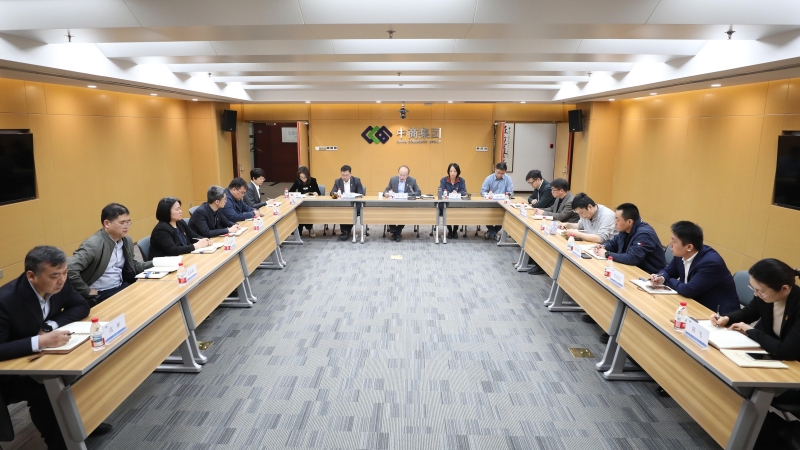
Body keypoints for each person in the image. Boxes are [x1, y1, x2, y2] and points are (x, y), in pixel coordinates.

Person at [0, 246, 112, 449]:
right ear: (31, 276)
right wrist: (39, 341)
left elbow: (81, 305)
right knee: (46, 388)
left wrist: (49, 326)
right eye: (54, 275)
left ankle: (83, 422)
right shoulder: (5, 300)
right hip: (10, 369)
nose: (62, 280)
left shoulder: (60, 283)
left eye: (65, 273)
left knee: (82, 367)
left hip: (42, 357)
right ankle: (60, 444)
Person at [711, 259, 800, 361]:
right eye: (753, 288)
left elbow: (787, 351)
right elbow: (748, 313)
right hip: (768, 351)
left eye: (760, 291)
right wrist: (727, 318)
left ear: (784, 288)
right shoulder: (765, 295)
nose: (756, 294)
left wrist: (750, 330)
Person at [68, 203, 153, 306]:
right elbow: (69, 268)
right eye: (122, 223)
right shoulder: (93, 245)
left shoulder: (126, 240)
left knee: (150, 295)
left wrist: (156, 263)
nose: (126, 226)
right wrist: (87, 291)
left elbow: (133, 266)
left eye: (128, 222)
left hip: (122, 285)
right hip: (103, 292)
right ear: (107, 223)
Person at [650, 221, 739, 314]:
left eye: (674, 241)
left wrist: (668, 280)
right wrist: (661, 277)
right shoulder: (682, 254)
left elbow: (688, 290)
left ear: (689, 247)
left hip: (718, 314)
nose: (670, 244)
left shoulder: (711, 263)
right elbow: (669, 271)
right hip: (694, 304)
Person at [593, 203, 666, 274]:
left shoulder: (644, 234)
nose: (615, 223)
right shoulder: (625, 229)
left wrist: (606, 254)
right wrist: (603, 246)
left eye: (618, 220)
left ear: (629, 222)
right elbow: (613, 243)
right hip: (631, 269)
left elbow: (632, 258)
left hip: (649, 275)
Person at [383, 165, 421, 242]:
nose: (401, 177)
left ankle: (397, 232)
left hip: (405, 204)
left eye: (404, 175)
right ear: (398, 173)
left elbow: (418, 192)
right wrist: (386, 193)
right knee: (388, 211)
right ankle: (396, 232)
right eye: (400, 175)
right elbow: (385, 190)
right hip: (394, 204)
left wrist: (406, 195)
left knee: (405, 213)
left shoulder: (412, 181)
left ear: (408, 175)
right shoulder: (393, 179)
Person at [480, 162, 514, 239]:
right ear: (495, 170)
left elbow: (511, 192)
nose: (499, 175)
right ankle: (494, 233)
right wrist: (487, 195)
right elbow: (483, 191)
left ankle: (492, 232)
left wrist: (508, 195)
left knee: (505, 216)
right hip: (490, 203)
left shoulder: (508, 179)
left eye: (502, 173)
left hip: (503, 204)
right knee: (485, 215)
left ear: (505, 172)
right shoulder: (489, 179)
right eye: (498, 172)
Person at [331, 165, 364, 241]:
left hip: (354, 204)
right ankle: (345, 231)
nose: (345, 177)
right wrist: (336, 194)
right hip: (342, 204)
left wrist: (353, 195)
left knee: (352, 211)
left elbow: (360, 193)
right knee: (342, 210)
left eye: (346, 175)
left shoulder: (356, 181)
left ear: (350, 174)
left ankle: (346, 231)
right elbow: (332, 192)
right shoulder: (337, 181)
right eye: (343, 175)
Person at [289, 166, 321, 237]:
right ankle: (299, 229)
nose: (303, 179)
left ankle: (309, 228)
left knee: (307, 211)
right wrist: (297, 195)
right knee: (300, 212)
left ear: (308, 176)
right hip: (300, 203)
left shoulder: (313, 180)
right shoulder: (297, 181)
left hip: (310, 203)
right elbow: (290, 192)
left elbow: (319, 192)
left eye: (305, 177)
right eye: (301, 177)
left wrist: (316, 193)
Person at [439, 163, 467, 239]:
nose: (452, 173)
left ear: (458, 172)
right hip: (446, 203)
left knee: (457, 211)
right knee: (445, 210)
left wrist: (457, 193)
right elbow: (441, 191)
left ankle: (455, 230)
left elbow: (464, 191)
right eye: (451, 171)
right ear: (448, 171)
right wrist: (451, 193)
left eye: (454, 171)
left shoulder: (461, 181)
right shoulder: (443, 180)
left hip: (457, 203)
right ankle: (450, 230)